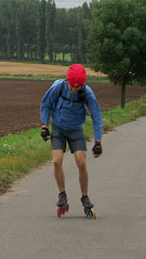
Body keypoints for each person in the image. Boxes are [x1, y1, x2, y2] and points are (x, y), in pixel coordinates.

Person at [39, 64, 103, 218]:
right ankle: (62, 194)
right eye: (72, 86)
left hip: (76, 129)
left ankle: (85, 196)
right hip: (58, 128)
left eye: (77, 87)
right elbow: (46, 104)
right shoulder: (58, 87)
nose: (74, 90)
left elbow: (96, 115)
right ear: (67, 81)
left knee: (81, 162)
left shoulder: (86, 92)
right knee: (56, 161)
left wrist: (98, 141)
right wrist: (44, 125)